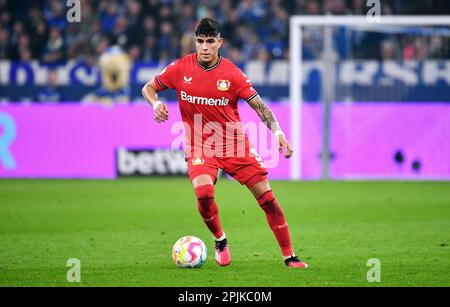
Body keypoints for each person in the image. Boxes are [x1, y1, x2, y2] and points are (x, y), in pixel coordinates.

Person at [142, 18, 307, 268]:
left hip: (234, 145)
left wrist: (278, 133)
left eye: (210, 41)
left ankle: (290, 257)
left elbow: (259, 107)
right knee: (204, 194)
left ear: (220, 42)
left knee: (268, 200)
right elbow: (149, 88)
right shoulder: (179, 69)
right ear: (194, 42)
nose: (204, 47)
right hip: (200, 146)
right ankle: (220, 240)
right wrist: (155, 104)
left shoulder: (232, 74)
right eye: (200, 41)